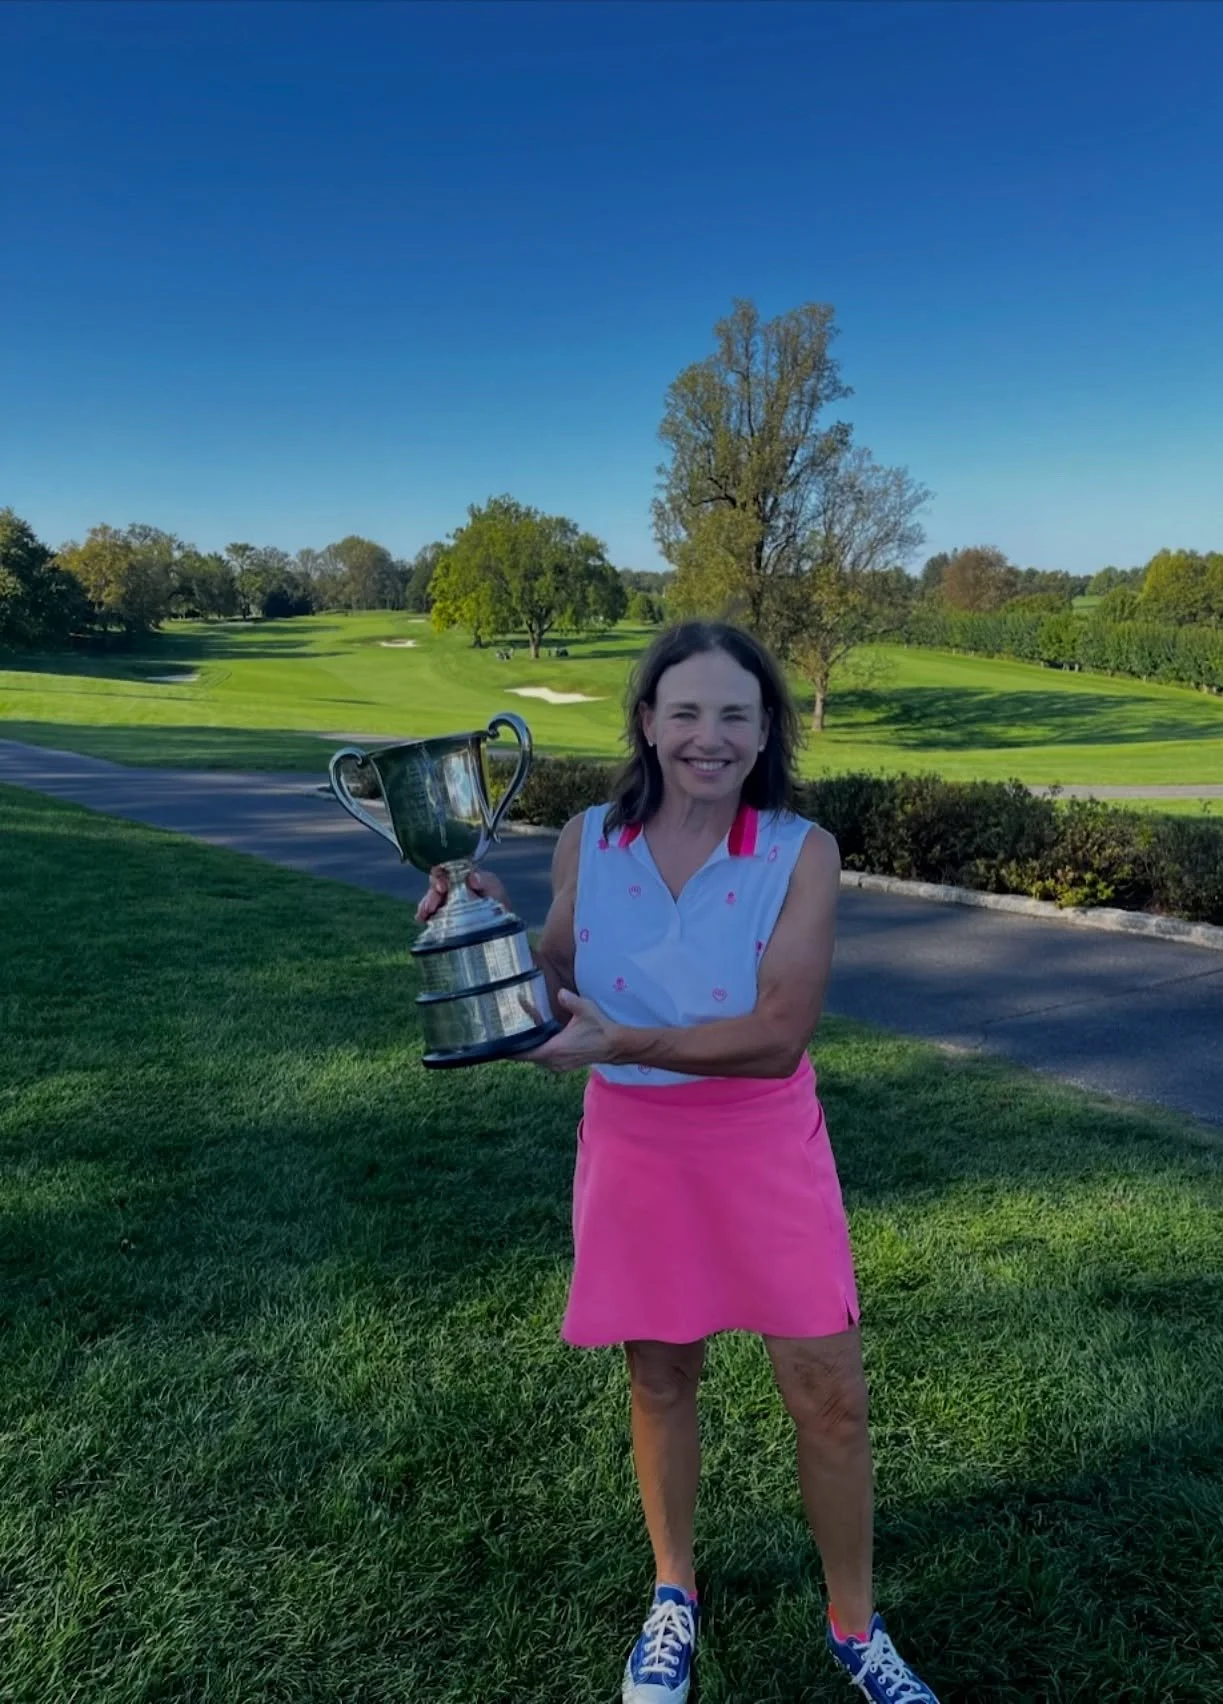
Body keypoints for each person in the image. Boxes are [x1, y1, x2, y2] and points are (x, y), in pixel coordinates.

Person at [417, 621, 938, 1704]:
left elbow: (778, 1032)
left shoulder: (801, 851)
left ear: (762, 737)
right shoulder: (585, 840)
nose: (709, 735)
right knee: (659, 1375)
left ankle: (853, 1627)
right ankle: (673, 1596)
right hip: (635, 1146)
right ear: (647, 724)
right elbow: (560, 972)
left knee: (827, 1392)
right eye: (686, 711)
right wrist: (485, 930)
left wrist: (625, 1044)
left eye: (734, 715)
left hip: (761, 1146)